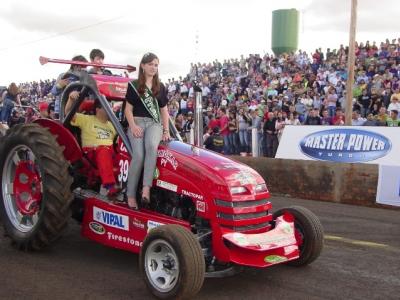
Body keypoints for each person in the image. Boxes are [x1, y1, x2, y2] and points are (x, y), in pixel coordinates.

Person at [124, 52, 170, 210]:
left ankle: (146, 189)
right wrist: (133, 126)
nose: (153, 67)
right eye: (150, 64)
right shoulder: (134, 85)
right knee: (138, 155)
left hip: (154, 124)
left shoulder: (160, 87)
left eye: (156, 65)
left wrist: (166, 130)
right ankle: (130, 195)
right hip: (136, 122)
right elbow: (128, 110)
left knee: (152, 146)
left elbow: (164, 111)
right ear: (143, 66)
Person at [65, 93, 118, 197]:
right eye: (107, 107)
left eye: (110, 107)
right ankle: (110, 187)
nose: (110, 110)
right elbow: (68, 114)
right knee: (103, 151)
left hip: (110, 152)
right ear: (98, 109)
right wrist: (71, 99)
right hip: (92, 152)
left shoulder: (112, 125)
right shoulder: (87, 119)